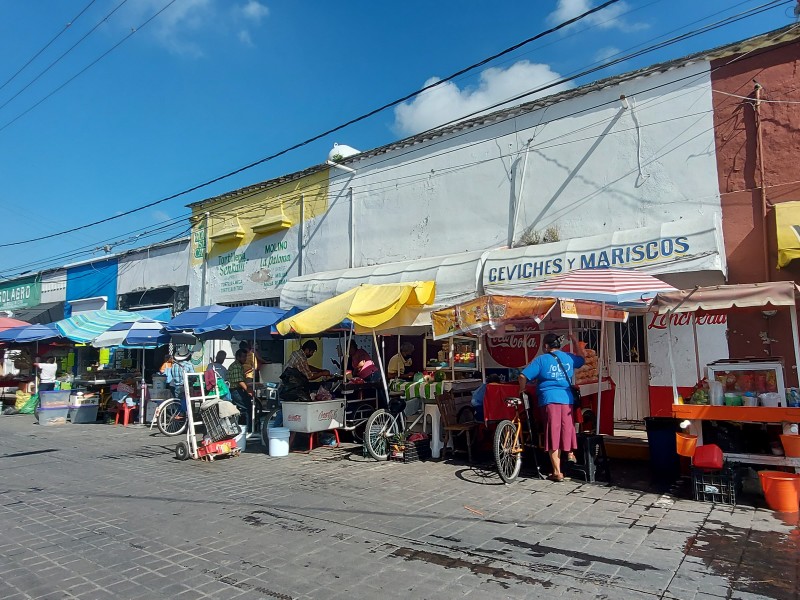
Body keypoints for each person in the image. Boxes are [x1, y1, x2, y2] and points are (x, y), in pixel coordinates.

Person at [518, 333, 585, 482]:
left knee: (553, 433)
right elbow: (582, 358)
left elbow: (523, 376)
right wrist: (574, 340)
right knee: (566, 429)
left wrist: (521, 390)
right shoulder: (568, 357)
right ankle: (570, 454)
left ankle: (557, 471)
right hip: (567, 400)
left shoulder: (541, 360)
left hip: (549, 400)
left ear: (546, 346)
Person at [227, 349, 253, 430]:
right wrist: (249, 391)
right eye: (243, 357)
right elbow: (239, 381)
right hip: (235, 391)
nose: (245, 359)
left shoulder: (239, 366)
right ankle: (248, 429)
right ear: (238, 357)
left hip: (238, 390)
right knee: (247, 408)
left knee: (247, 407)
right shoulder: (236, 366)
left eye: (245, 357)